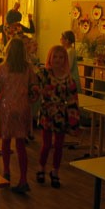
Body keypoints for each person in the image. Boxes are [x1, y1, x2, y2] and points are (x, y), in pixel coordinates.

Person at [0, 38, 39, 194]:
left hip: (7, 109)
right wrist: (30, 100)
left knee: (5, 141)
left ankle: (6, 172)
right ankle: (23, 179)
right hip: (23, 108)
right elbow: (35, 88)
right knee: (20, 145)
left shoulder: (1, 68)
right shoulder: (28, 68)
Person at [36, 45, 80, 189]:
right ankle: (41, 168)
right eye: (55, 57)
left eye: (61, 57)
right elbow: (33, 86)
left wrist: (74, 120)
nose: (58, 60)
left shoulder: (68, 79)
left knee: (59, 145)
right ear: (50, 58)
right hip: (47, 113)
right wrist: (40, 92)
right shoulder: (44, 74)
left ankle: (55, 171)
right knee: (47, 144)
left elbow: (73, 99)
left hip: (61, 114)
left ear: (65, 60)